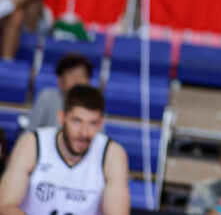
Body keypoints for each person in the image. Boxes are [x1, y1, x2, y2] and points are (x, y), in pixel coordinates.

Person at [0, 85, 130, 215]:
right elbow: (5, 206)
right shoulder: (33, 143)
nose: (84, 132)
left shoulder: (112, 154)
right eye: (77, 121)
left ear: (101, 123)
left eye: (92, 123)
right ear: (62, 118)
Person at [27, 53, 92, 131]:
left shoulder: (94, 103)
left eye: (82, 75)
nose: (77, 80)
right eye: (71, 75)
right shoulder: (47, 98)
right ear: (60, 80)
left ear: (89, 81)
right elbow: (31, 131)